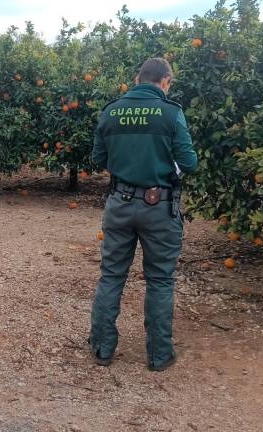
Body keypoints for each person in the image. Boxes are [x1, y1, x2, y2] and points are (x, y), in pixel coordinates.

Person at [88, 58, 198, 372]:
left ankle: (102, 347)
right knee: (160, 280)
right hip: (159, 208)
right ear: (165, 81)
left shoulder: (111, 111)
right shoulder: (171, 113)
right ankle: (159, 355)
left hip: (119, 203)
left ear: (137, 78)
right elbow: (189, 163)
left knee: (111, 276)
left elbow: (99, 158)